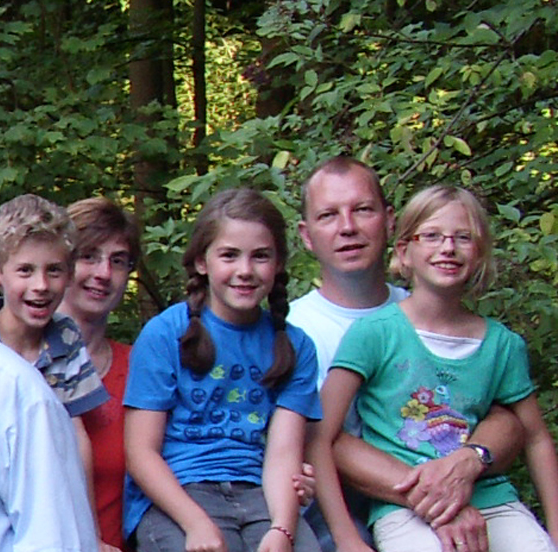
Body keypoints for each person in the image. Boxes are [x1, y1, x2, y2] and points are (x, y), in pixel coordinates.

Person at [288, 156, 524, 551]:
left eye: (362, 210)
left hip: (452, 503)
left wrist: (468, 463)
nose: (348, 228)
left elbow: (504, 413)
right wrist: (439, 502)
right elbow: (320, 439)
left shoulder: (434, 308)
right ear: (307, 235)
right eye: (328, 215)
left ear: (391, 220)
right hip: (334, 522)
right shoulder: (291, 333)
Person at [123, 188, 322, 552]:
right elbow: (140, 454)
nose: (245, 271)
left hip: (260, 493)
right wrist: (196, 524)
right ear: (202, 261)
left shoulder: (295, 346)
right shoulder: (167, 333)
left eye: (260, 257)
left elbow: (282, 454)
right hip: (178, 496)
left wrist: (282, 530)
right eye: (229, 255)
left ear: (278, 264)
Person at [0, 194, 111, 551]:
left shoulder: (64, 337)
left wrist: (90, 533)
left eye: (54, 270)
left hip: (47, 497)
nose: (41, 285)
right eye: (25, 270)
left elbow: (76, 437)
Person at [59, 197, 141, 551]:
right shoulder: (14, 364)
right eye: (88, 256)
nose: (104, 273)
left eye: (118, 261)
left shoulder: (143, 367)